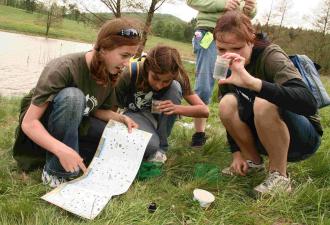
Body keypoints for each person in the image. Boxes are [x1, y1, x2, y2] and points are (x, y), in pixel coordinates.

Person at [12, 18, 141, 188]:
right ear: (103, 48)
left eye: (131, 57)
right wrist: (61, 150)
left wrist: (121, 119)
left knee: (117, 137)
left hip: (78, 123)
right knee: (73, 97)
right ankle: (55, 172)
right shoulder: (63, 68)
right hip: (39, 128)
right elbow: (29, 123)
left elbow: (94, 109)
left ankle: (73, 155)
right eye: (124, 55)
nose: (127, 63)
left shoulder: (110, 71)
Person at [215, 11, 322, 194]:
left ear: (251, 40)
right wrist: (236, 153)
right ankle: (252, 163)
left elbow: (308, 102)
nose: (229, 56)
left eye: (237, 48)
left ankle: (279, 176)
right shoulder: (226, 66)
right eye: (222, 49)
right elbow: (229, 117)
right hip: (264, 136)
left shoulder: (271, 55)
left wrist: (253, 83)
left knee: (263, 101)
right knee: (226, 104)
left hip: (303, 139)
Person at [115, 45, 209, 163]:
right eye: (155, 78)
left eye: (166, 81)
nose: (159, 85)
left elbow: (204, 111)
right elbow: (113, 108)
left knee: (175, 87)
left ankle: (161, 149)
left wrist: (176, 108)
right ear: (148, 67)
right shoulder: (132, 72)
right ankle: (154, 146)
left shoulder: (178, 77)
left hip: (159, 117)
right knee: (150, 146)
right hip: (135, 115)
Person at [186, 0, 257, 147]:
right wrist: (222, 4)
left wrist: (250, 9)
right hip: (208, 33)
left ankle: (239, 138)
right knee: (204, 86)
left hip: (236, 33)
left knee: (236, 86)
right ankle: (199, 134)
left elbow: (250, 11)